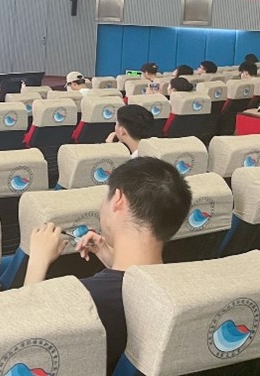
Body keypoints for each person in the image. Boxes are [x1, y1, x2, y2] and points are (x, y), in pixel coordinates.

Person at [25, 157, 192, 374]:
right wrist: (113, 260)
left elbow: (24, 342)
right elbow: (135, 288)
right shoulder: (184, 286)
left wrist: (37, 261)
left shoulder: (85, 299)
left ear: (118, 199)